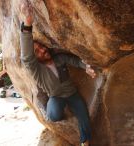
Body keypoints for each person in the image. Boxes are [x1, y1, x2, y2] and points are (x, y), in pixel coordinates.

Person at [19, 1, 96, 146]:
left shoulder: (59, 59)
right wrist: (27, 23)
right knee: (53, 116)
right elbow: (26, 57)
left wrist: (85, 66)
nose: (43, 50)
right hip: (56, 97)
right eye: (38, 51)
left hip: (72, 93)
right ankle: (52, 108)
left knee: (83, 116)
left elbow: (75, 60)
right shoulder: (36, 69)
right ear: (35, 57)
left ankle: (85, 143)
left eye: (42, 47)